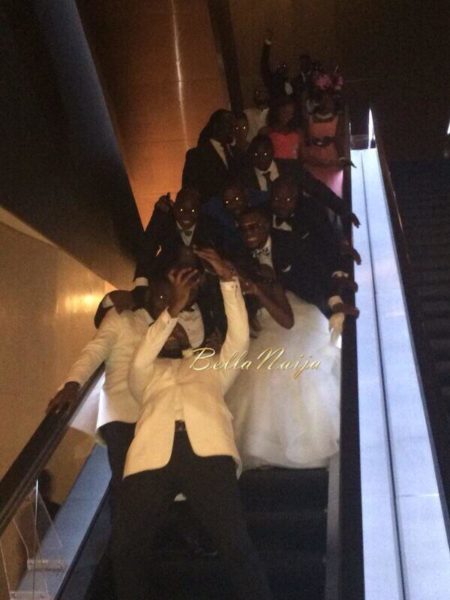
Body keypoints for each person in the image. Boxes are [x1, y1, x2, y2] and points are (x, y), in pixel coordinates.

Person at [111, 252, 273, 600]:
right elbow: (140, 357)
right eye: (169, 326)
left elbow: (239, 340)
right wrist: (171, 309)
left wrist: (229, 280)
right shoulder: (146, 373)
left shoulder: (211, 366)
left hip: (208, 453)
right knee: (126, 549)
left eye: (181, 323)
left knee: (236, 545)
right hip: (149, 460)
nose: (175, 329)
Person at [225, 210, 343, 470]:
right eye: (243, 229)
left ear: (266, 225)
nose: (248, 234)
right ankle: (265, 448)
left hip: (298, 310)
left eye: (254, 227)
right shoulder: (238, 255)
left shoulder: (290, 245)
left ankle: (306, 443)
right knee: (257, 374)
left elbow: (304, 293)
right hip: (263, 319)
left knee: (298, 367)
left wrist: (334, 303)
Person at [239, 135, 360, 227]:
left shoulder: (291, 168)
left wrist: (344, 210)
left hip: (298, 225)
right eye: (256, 154)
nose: (261, 158)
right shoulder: (245, 177)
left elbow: (317, 189)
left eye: (265, 153)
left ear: (272, 152)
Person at [182, 109, 241, 203]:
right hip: (210, 211)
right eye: (228, 124)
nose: (232, 128)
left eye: (233, 125)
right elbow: (190, 190)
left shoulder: (238, 153)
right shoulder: (197, 155)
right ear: (216, 126)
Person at [303, 91, 349, 197]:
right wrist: (312, 142)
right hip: (314, 159)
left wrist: (342, 158)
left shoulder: (338, 118)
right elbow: (306, 139)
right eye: (324, 100)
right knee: (315, 192)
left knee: (333, 192)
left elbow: (339, 139)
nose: (326, 103)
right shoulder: (310, 118)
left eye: (329, 100)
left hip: (332, 158)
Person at [263, 95, 304, 160]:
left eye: (290, 113)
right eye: (284, 112)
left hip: (293, 166)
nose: (287, 116)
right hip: (276, 166)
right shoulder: (266, 131)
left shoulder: (298, 131)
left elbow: (302, 155)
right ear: (277, 111)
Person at [260, 29, 293, 100]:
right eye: (280, 66)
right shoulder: (271, 80)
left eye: (284, 66)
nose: (282, 67)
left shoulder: (290, 82)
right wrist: (267, 43)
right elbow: (264, 63)